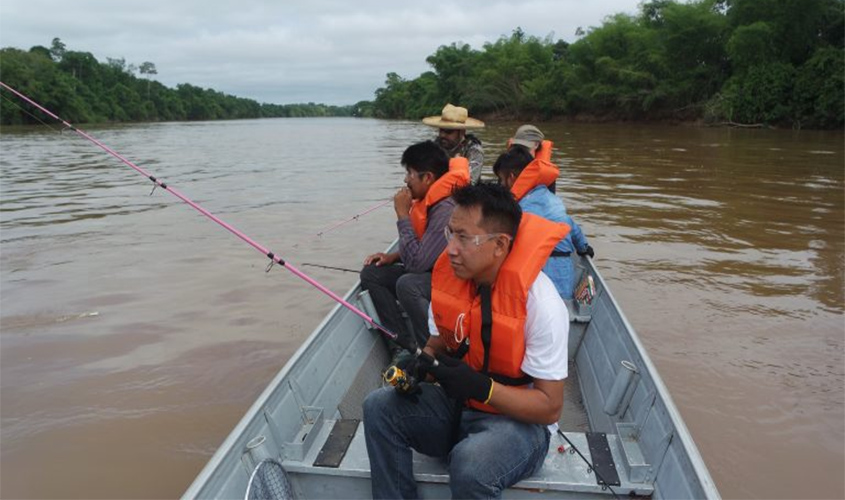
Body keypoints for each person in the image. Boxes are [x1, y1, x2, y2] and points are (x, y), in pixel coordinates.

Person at [363, 183, 570, 499]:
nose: (450, 249)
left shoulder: (542, 304)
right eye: (450, 234)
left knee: (470, 464)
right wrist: (421, 364)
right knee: (378, 406)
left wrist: (482, 389)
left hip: (519, 426)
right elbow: (437, 343)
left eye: (464, 238)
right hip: (458, 407)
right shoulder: (450, 283)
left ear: (500, 245)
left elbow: (549, 408)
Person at [360, 140, 469, 362]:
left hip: (453, 281)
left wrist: (402, 215)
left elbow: (416, 265)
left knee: (408, 284)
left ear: (427, 177)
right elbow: (424, 246)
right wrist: (392, 256)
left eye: (410, 173)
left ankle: (430, 354)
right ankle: (401, 345)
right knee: (372, 273)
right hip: (432, 271)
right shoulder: (430, 201)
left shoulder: (445, 208)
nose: (405, 180)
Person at [494, 143, 594, 300]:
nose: (500, 185)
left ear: (512, 178)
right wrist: (583, 247)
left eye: (501, 180)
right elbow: (570, 225)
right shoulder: (551, 198)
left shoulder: (519, 208)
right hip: (564, 274)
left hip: (540, 273)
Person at [422, 103, 485, 183]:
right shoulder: (435, 146)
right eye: (441, 130)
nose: (442, 135)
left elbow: (470, 182)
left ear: (462, 132)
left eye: (448, 131)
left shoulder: (474, 150)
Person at [508, 124, 557, 193]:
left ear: (536, 145)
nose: (521, 151)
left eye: (525, 147)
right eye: (518, 146)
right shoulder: (507, 165)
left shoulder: (546, 173)